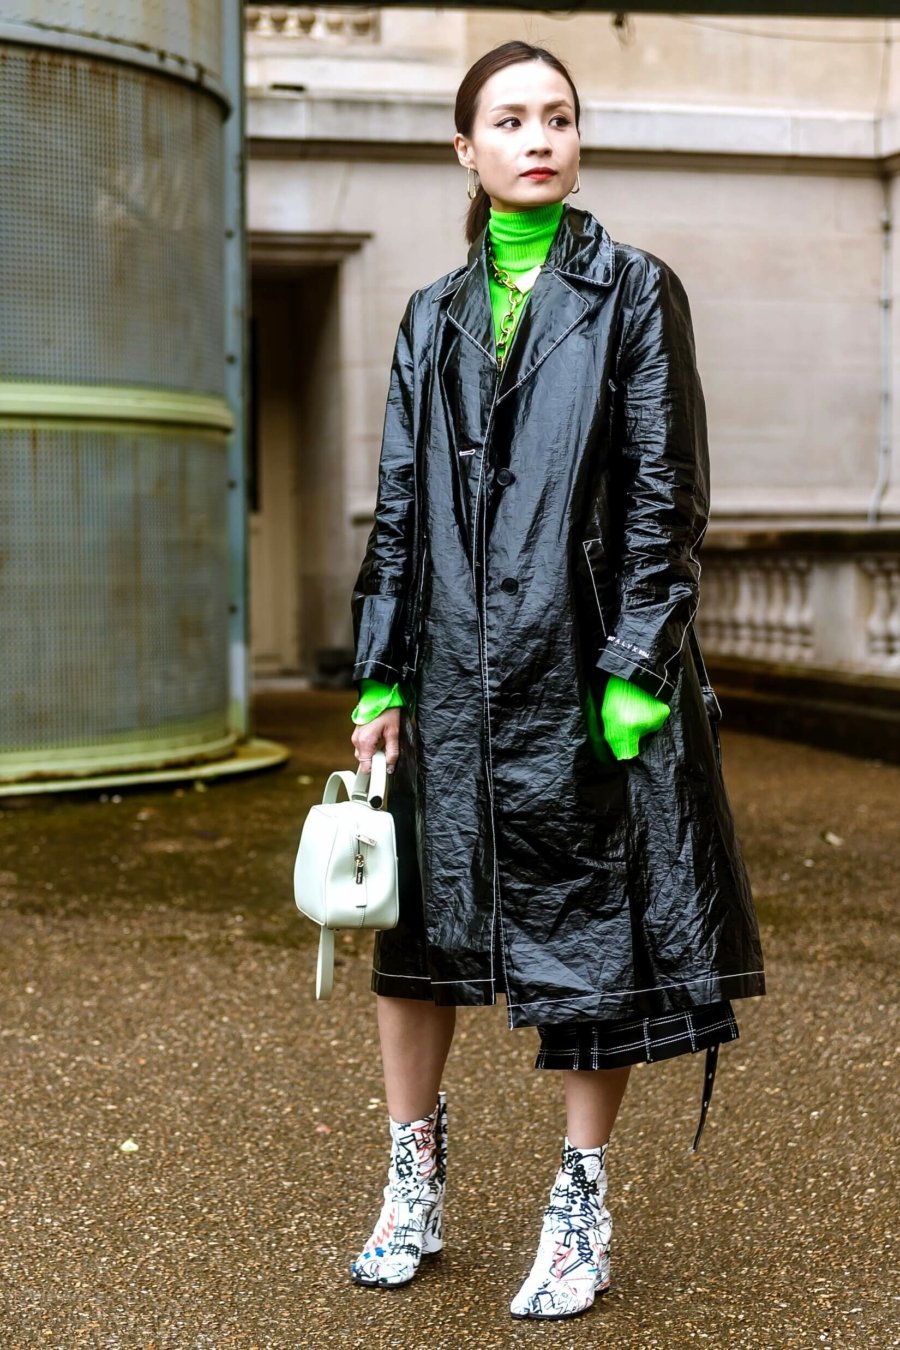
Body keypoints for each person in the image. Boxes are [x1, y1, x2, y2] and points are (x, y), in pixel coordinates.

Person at [346, 40, 765, 1322]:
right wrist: (377, 680)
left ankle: (578, 1198)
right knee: (414, 942)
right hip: (451, 682)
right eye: (511, 119)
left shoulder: (635, 291)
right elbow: (402, 510)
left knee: (597, 955)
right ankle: (411, 1178)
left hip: (580, 684)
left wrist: (636, 668)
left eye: (561, 117)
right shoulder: (432, 313)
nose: (541, 137)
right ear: (464, 150)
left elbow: (664, 492)